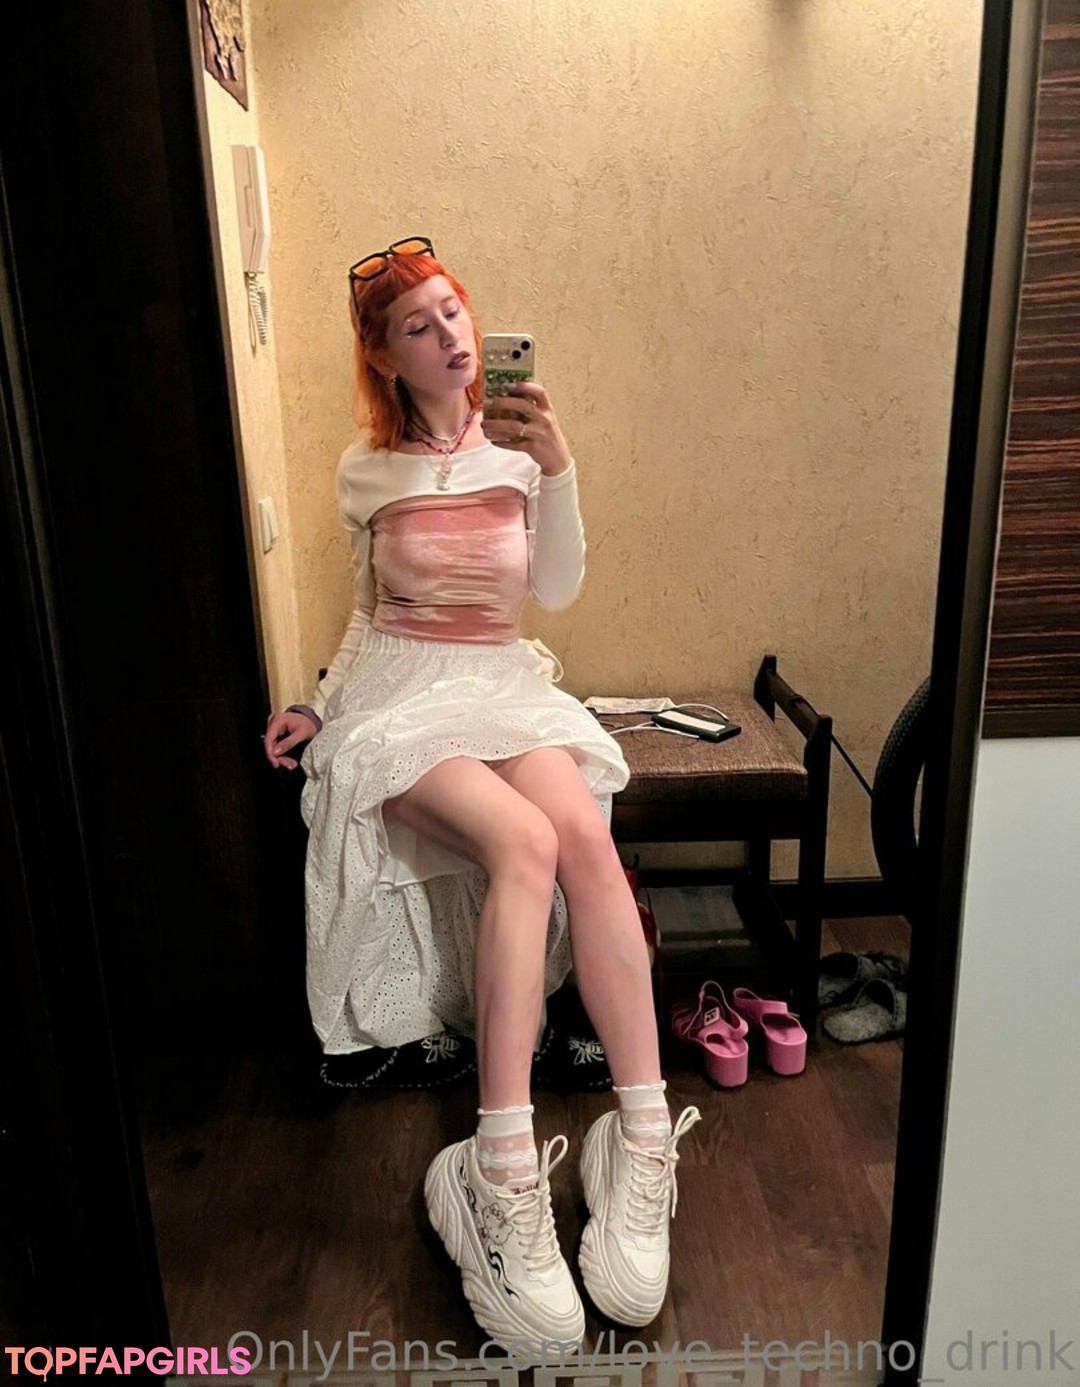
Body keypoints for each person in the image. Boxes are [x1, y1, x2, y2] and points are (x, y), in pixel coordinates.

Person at [263, 236, 700, 1353]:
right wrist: (322, 701)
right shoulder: (366, 472)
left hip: (502, 682)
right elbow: (368, 612)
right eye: (419, 327)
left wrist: (559, 467)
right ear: (384, 358)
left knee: (584, 840)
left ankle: (641, 1139)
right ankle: (497, 1169)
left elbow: (554, 587)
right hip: (405, 694)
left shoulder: (519, 453)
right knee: (520, 842)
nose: (450, 337)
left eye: (454, 312)